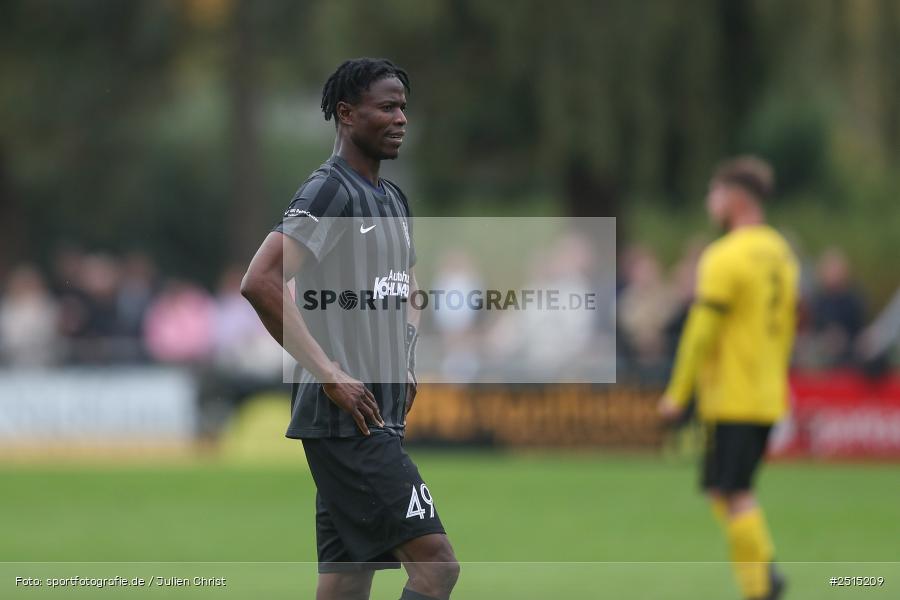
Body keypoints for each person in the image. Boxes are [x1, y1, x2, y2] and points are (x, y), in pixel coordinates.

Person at [241, 58, 459, 600]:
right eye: (387, 107)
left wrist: (406, 356)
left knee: (346, 581)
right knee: (437, 567)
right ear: (346, 114)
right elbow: (260, 281)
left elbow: (406, 286)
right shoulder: (328, 192)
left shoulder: (392, 198)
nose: (401, 118)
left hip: (377, 414)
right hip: (347, 423)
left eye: (404, 107)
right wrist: (332, 374)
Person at [658, 156, 798, 600]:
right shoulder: (780, 251)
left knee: (735, 492)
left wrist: (677, 395)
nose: (709, 201)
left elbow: (700, 333)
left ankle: (762, 584)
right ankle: (763, 577)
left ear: (735, 199)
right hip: (767, 391)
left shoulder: (724, 255)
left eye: (714, 193)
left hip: (733, 396)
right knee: (725, 488)